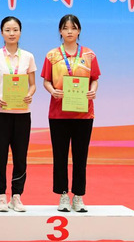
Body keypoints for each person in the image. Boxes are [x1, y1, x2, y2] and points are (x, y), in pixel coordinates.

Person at [41, 14, 100, 213]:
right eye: (65, 28)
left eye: (73, 28)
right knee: (60, 156)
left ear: (79, 31)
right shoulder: (52, 55)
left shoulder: (89, 55)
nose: (69, 31)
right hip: (58, 114)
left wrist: (93, 91)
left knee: (80, 157)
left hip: (83, 114)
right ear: (60, 31)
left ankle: (79, 196)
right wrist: (52, 91)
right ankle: (63, 195)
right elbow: (46, 81)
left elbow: (94, 79)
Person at [0, 16, 36, 212]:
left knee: (20, 156)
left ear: (20, 32)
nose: (12, 33)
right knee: (0, 156)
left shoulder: (28, 57)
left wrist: (30, 94)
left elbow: (32, 85)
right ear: (1, 33)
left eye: (15, 30)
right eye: (7, 30)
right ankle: (0, 196)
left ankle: (16, 196)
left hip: (22, 113)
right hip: (1, 113)